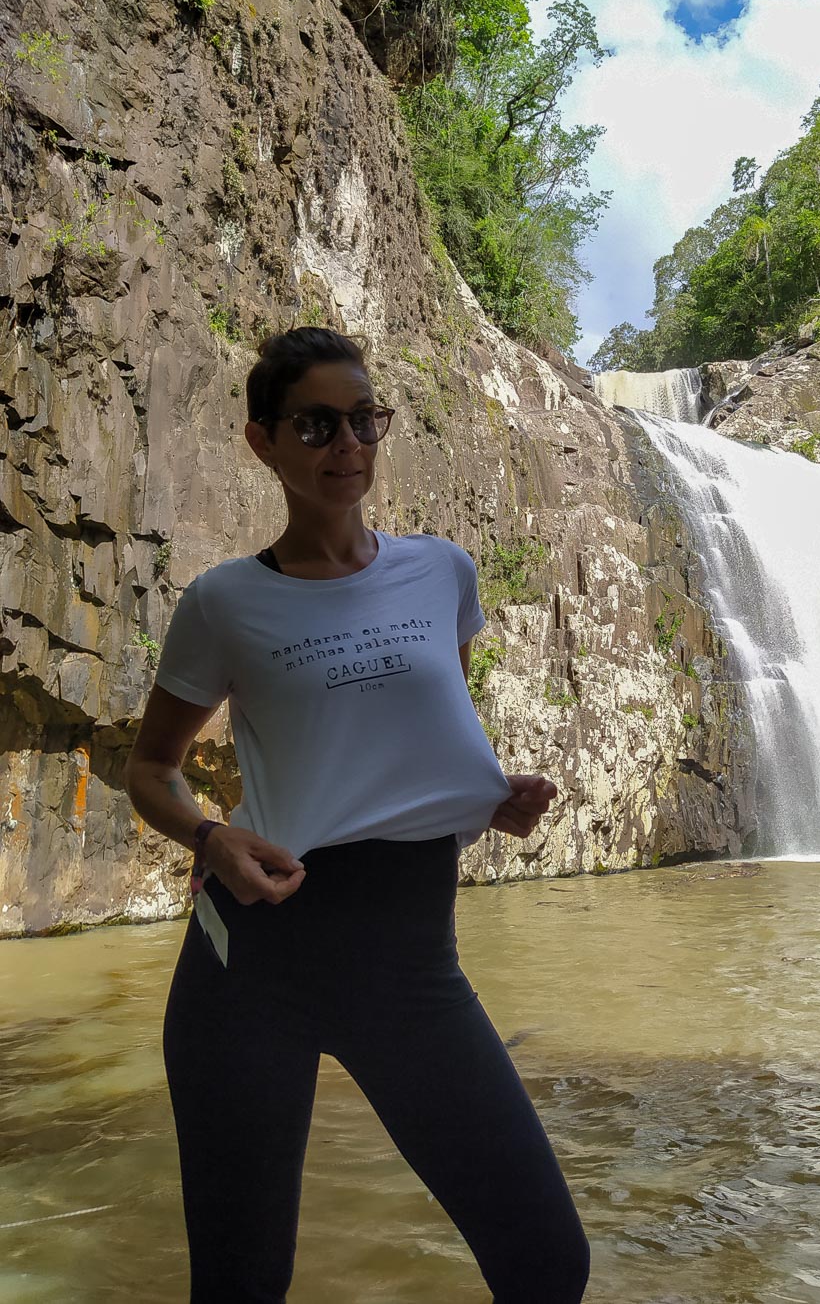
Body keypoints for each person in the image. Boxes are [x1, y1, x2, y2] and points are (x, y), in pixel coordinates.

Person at [125, 326, 591, 1303]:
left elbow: (430, 738)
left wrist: (489, 799)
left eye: (365, 420)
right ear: (264, 443)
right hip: (252, 970)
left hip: (411, 970)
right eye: (318, 425)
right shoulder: (223, 604)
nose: (350, 446)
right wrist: (211, 834)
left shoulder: (443, 573)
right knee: (244, 1285)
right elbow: (151, 770)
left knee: (547, 1263)